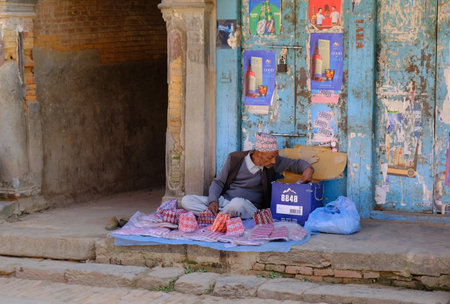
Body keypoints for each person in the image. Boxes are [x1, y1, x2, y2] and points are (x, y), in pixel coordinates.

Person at [181, 132, 314, 219]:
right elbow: (218, 183)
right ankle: (219, 216)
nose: (274, 161)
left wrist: (308, 169)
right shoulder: (234, 159)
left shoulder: (273, 163)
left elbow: (295, 164)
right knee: (186, 200)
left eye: (275, 157)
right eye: (271, 157)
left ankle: (213, 217)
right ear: (258, 153)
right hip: (224, 202)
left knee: (237, 204)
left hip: (248, 207)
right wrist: (213, 201)